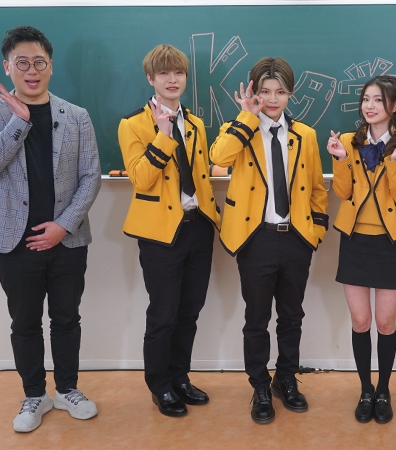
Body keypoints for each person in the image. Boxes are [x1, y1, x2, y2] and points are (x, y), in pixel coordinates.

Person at [0, 26, 101, 433]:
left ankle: (67, 390)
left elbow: (91, 177)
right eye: (22, 63)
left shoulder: (76, 116)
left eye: (39, 62)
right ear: (8, 67)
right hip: (14, 242)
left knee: (66, 319)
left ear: (51, 66)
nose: (32, 70)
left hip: (67, 240)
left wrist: (63, 226)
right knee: (24, 323)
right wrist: (19, 121)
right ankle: (34, 395)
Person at [210, 57, 329, 424]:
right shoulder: (239, 129)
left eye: (280, 92)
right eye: (264, 91)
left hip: (296, 238)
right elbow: (218, 157)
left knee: (292, 317)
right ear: (254, 93)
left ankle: (286, 379)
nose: (272, 99)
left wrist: (315, 233)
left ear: (291, 93)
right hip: (255, 238)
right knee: (257, 318)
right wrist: (247, 118)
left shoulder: (305, 135)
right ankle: (260, 386)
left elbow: (317, 188)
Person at [117, 44, 221, 417]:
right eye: (164, 73)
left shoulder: (196, 124)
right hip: (160, 234)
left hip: (198, 227)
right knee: (164, 314)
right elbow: (140, 179)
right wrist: (162, 136)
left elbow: (202, 176)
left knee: (190, 310)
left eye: (178, 73)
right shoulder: (133, 124)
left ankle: (180, 377)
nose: (172, 79)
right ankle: (159, 385)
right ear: (151, 78)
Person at [326, 75, 396, 424]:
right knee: (360, 320)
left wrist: (395, 161)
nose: (369, 106)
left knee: (384, 321)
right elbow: (343, 192)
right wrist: (340, 159)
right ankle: (365, 389)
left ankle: (384, 389)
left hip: (389, 241)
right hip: (354, 239)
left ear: (394, 105)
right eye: (366, 99)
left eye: (378, 100)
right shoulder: (348, 142)